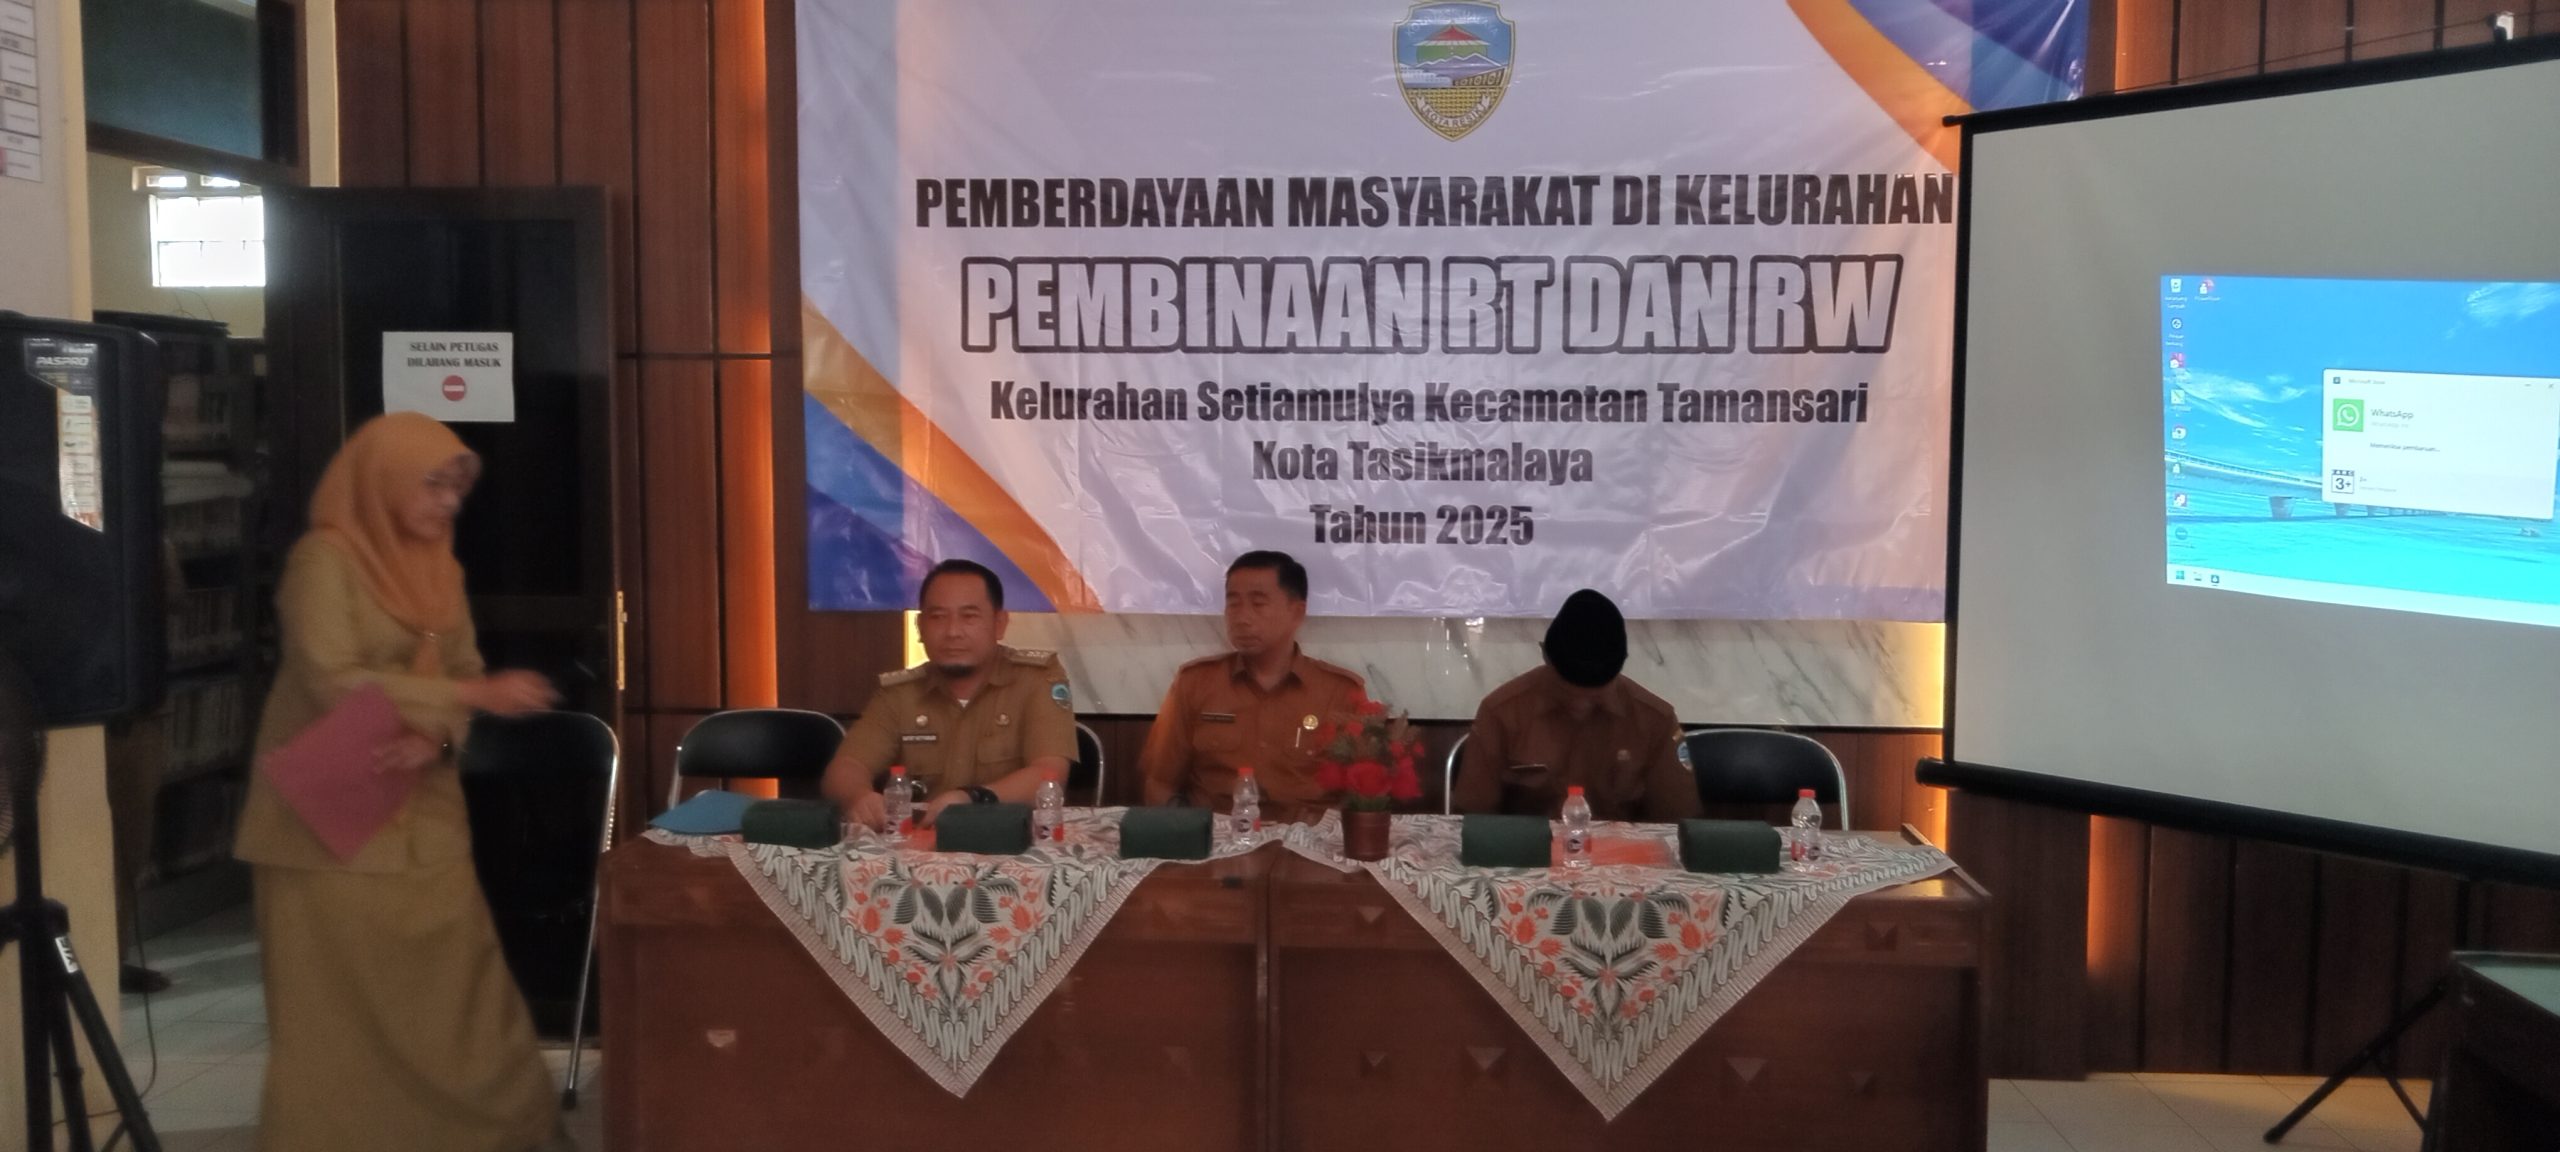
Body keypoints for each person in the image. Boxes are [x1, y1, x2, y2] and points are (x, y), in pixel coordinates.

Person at [232, 412, 568, 1152]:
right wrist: (469, 698)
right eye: (432, 484)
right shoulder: (324, 561)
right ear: (382, 482)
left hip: (423, 809)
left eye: (457, 488)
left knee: (461, 995)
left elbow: (464, 671)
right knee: (336, 1018)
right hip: (328, 826)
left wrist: (438, 735)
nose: (448, 503)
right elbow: (331, 678)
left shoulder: (440, 566)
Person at [823, 559, 1076, 829]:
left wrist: (973, 798)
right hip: (922, 841)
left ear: (999, 623)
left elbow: (1050, 774)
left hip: (1009, 837)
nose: (953, 632)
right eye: (938, 617)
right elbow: (847, 766)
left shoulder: (1036, 679)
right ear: (920, 627)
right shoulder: (900, 694)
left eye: (969, 617)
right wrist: (858, 797)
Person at [1140, 550, 1366, 823]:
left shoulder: (1339, 692)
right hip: (1215, 838)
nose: (1242, 617)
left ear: (1297, 612)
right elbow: (1160, 784)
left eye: (1258, 604)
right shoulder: (1196, 683)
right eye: (1233, 603)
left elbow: (1362, 796)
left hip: (1305, 842)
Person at [1451, 588, 1700, 822]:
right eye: (1566, 695)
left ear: (1620, 666)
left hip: (1622, 852)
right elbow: (1473, 822)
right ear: (1546, 656)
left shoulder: (1655, 721)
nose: (1580, 706)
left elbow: (1677, 824)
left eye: (1595, 698)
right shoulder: (1502, 713)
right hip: (1526, 851)